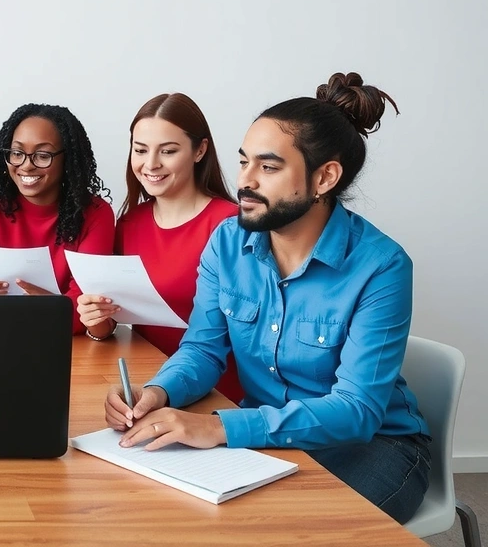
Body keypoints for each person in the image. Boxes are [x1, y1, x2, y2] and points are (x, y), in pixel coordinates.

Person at [105, 73, 431, 524]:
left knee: (286, 532)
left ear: (325, 177)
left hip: (374, 447)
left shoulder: (382, 267)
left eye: (269, 167)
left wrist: (218, 427)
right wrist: (159, 391)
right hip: (268, 433)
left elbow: (357, 411)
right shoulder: (226, 243)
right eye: (244, 162)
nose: (246, 181)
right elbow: (202, 349)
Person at [77, 93, 244, 402]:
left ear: (200, 151)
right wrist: (95, 318)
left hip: (220, 394)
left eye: (168, 151)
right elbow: (110, 323)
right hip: (151, 385)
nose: (151, 164)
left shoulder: (230, 225)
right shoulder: (129, 223)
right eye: (140, 150)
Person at [0, 103, 115, 336]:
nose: (26, 165)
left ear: (67, 159)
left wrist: (50, 310)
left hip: (61, 342)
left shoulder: (95, 213)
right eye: (17, 153)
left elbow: (85, 308)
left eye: (42, 155)